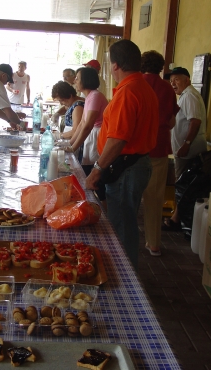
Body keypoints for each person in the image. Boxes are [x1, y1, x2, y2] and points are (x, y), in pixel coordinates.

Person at [85, 39, 159, 270]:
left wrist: (97, 170)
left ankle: (124, 278)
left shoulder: (128, 92)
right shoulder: (144, 87)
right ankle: (125, 272)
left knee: (122, 228)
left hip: (126, 167)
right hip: (136, 165)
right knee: (125, 223)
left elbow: (118, 139)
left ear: (115, 65)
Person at [140, 51, 179, 256]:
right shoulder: (167, 88)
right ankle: (153, 243)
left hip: (135, 149)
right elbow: (172, 121)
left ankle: (124, 240)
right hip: (159, 147)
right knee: (154, 198)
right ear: (161, 66)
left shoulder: (134, 84)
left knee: (131, 196)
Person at [162, 67, 207, 231]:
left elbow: (195, 121)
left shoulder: (189, 96)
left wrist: (186, 144)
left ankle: (176, 219)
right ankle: (178, 216)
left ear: (187, 79)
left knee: (183, 184)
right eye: (171, 80)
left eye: (177, 79)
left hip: (188, 150)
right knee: (184, 184)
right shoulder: (187, 96)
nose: (173, 83)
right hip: (185, 149)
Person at [68, 67, 108, 203]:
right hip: (92, 136)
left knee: (96, 177)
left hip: (98, 136)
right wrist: (70, 145)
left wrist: (73, 148)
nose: (75, 81)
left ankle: (102, 211)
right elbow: (82, 124)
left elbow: (88, 125)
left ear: (86, 80)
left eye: (77, 78)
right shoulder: (89, 96)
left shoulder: (95, 96)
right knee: (87, 171)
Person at [51, 81, 84, 161]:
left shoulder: (78, 107)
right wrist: (57, 114)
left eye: (61, 100)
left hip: (76, 143)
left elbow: (75, 131)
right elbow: (65, 108)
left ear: (69, 95)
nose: (61, 103)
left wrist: (59, 135)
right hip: (70, 141)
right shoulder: (72, 102)